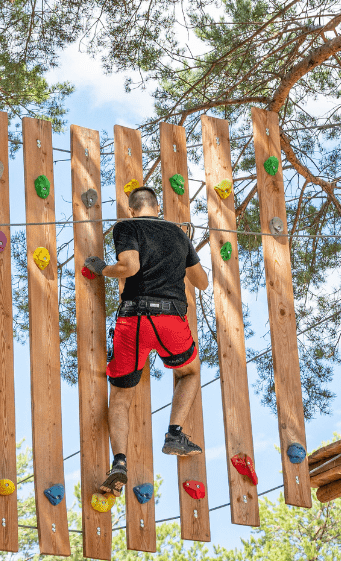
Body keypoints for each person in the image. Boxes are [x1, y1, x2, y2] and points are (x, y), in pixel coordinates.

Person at [87, 185, 210, 495]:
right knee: (190, 372)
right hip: (170, 319)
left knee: (121, 397)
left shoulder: (127, 226)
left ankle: (119, 462)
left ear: (132, 209)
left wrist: (103, 269)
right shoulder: (178, 234)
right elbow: (202, 282)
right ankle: (174, 434)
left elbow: (129, 266)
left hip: (134, 320)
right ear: (157, 207)